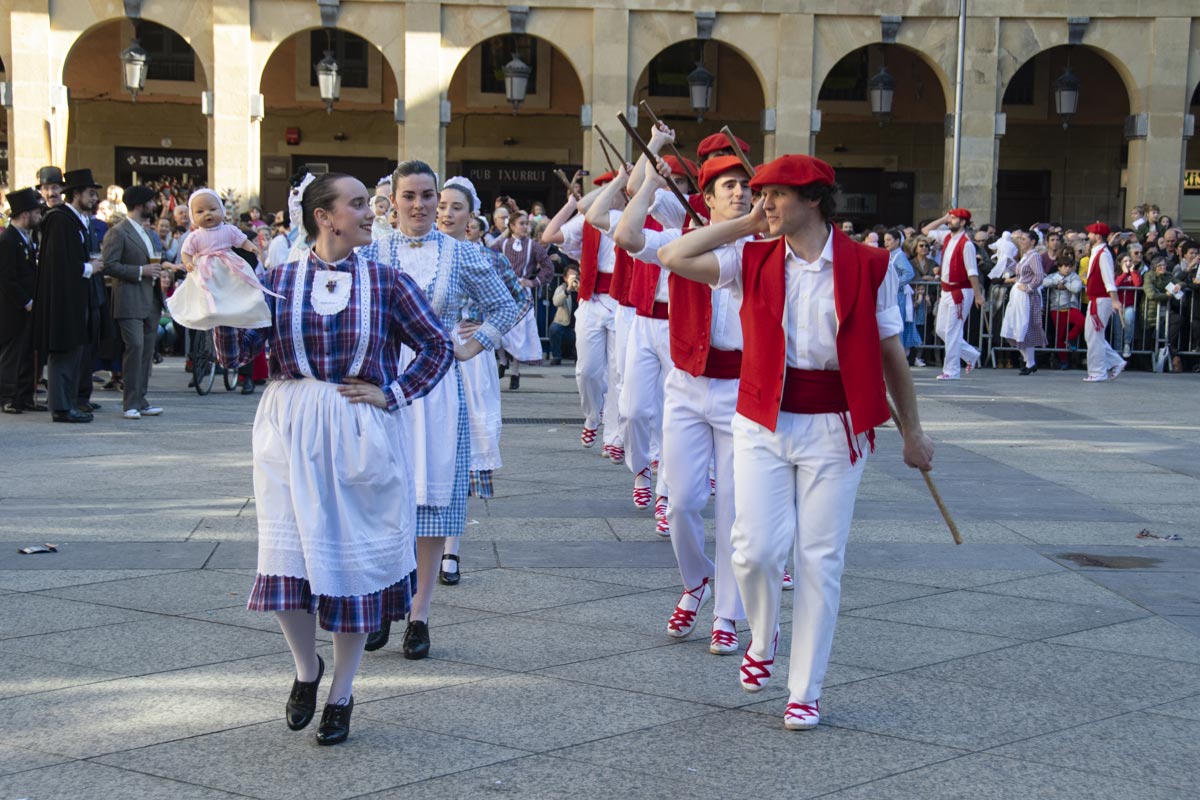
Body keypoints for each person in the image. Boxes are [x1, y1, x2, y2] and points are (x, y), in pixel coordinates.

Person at [659, 153, 933, 731]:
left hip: (836, 427)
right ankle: (763, 633)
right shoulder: (751, 256)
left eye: (775, 195)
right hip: (761, 420)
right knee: (752, 550)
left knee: (819, 560)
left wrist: (913, 431)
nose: (764, 204)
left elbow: (891, 356)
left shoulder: (869, 265)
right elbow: (672, 255)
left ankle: (805, 688)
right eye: (758, 195)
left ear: (813, 199)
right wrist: (743, 224)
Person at [214, 172, 453, 746]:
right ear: (325, 216)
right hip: (288, 429)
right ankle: (306, 669)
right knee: (285, 561)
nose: (372, 212)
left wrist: (392, 394)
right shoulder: (276, 281)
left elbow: (438, 345)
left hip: (358, 432)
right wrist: (221, 297)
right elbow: (232, 355)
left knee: (352, 571)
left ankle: (342, 691)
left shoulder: (388, 281)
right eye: (358, 204)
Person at [359, 161, 520, 659]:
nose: (421, 205)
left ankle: (419, 615)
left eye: (428, 195)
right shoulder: (370, 250)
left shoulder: (462, 254)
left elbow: (508, 304)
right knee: (383, 501)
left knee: (430, 508)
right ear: (393, 201)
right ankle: (387, 597)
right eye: (410, 195)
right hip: (383, 383)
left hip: (436, 389)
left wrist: (475, 345)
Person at [614, 154, 751, 653]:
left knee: (736, 506)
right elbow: (627, 237)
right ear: (706, 199)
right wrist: (650, 180)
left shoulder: (764, 246)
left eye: (744, 185)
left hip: (741, 390)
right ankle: (696, 580)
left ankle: (728, 614)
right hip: (688, 387)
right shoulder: (681, 239)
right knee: (685, 502)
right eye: (728, 187)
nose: (739, 193)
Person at [434, 175, 529, 584]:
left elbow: (519, 300)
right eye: (441, 205)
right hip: (423, 354)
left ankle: (450, 551)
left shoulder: (487, 258)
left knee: (464, 454)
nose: (446, 214)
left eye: (456, 207)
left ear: (472, 216)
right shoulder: (418, 252)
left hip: (470, 359)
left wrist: (486, 330)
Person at [543, 172, 627, 461]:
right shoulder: (588, 220)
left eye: (611, 189)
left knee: (618, 374)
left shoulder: (633, 218)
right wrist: (569, 204)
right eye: (602, 190)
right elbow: (548, 235)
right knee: (587, 371)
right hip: (591, 301)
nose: (605, 195)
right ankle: (593, 415)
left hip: (622, 304)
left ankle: (613, 435)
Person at [33, 169, 107, 423]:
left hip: (76, 297)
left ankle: (70, 402)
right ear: (75, 194)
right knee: (64, 351)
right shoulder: (60, 220)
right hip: (63, 299)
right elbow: (58, 263)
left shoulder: (75, 221)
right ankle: (62, 407)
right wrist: (90, 268)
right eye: (90, 192)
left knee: (74, 351)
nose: (94, 197)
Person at [168, 189, 276, 330]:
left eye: (212, 209)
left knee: (238, 285)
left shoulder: (228, 230)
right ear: (193, 217)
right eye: (200, 212)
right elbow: (186, 252)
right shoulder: (195, 236)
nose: (207, 213)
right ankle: (209, 310)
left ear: (222, 210)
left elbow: (241, 240)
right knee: (206, 291)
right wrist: (188, 262)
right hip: (206, 268)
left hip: (228, 264)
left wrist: (250, 246)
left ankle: (243, 307)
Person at [101, 186, 165, 419]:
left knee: (147, 352)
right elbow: (109, 265)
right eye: (150, 202)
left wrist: (162, 271)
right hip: (128, 299)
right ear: (139, 204)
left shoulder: (148, 233)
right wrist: (141, 270)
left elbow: (156, 262)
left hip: (151, 299)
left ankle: (141, 399)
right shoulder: (118, 232)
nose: (154, 206)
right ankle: (130, 402)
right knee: (135, 348)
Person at [491, 209, 552, 389]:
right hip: (502, 292)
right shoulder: (502, 244)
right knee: (497, 329)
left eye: (527, 224)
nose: (525, 227)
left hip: (521, 295)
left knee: (518, 334)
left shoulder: (533, 246)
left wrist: (533, 282)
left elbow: (548, 267)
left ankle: (515, 371)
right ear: (512, 226)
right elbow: (486, 255)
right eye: (522, 224)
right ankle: (503, 361)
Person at [922, 209, 983, 380]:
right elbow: (926, 231)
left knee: (953, 331)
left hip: (961, 291)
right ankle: (970, 354)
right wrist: (943, 218)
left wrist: (978, 295)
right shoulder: (947, 237)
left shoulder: (967, 244)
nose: (950, 221)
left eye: (954, 218)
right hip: (947, 289)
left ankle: (951, 370)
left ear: (963, 222)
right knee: (941, 329)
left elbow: (972, 272)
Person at [0, 188, 46, 414]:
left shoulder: (25, 239)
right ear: (25, 214)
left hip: (29, 306)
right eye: (37, 212)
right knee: (13, 355)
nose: (40, 216)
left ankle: (26, 395)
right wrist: (26, 301)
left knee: (29, 353)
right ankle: (8, 396)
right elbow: (6, 279)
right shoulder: (8, 240)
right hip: (14, 309)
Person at [1082, 222, 1126, 382]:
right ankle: (1115, 361)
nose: (1088, 236)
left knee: (1095, 336)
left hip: (1102, 299)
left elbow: (1109, 279)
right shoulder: (1097, 252)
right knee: (1092, 335)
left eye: (1091, 233)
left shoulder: (1104, 254)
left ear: (1098, 236)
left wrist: (1115, 300)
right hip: (1097, 299)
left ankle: (1098, 371)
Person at [1000, 229, 1047, 374]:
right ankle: (1029, 361)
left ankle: (1030, 362)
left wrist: (1028, 287)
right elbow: (1020, 271)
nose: (1021, 242)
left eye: (1024, 239)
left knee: (1024, 328)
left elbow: (1039, 276)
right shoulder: (1026, 256)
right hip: (1017, 295)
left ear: (1033, 242)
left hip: (1026, 297)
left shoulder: (1034, 256)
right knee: (1015, 328)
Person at [1043, 250, 1085, 370]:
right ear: (1059, 267)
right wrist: (1057, 283)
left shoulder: (1074, 276)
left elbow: (1076, 288)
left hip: (1071, 307)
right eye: (1065, 267)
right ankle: (1063, 361)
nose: (1067, 269)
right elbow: (1044, 282)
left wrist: (1065, 284)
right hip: (1056, 308)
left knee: (1081, 322)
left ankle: (1070, 338)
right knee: (1059, 335)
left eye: (1069, 267)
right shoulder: (1053, 276)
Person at [1114, 251, 1144, 357]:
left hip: (1129, 304)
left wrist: (1132, 272)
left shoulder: (1134, 273)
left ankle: (1127, 344)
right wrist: (1124, 273)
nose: (1128, 263)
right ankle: (1117, 353)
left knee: (1129, 320)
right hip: (1117, 305)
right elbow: (1115, 284)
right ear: (1119, 263)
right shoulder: (1116, 273)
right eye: (1125, 261)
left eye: (1129, 260)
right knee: (1117, 330)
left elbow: (1137, 284)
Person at [549, 265, 579, 364]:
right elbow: (556, 302)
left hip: (578, 327)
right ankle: (557, 356)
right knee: (554, 328)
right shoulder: (561, 288)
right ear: (565, 278)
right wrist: (567, 291)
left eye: (576, 276)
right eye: (571, 276)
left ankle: (578, 356)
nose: (574, 278)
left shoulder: (582, 289)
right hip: (564, 325)